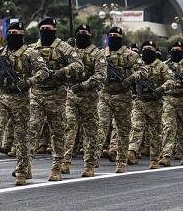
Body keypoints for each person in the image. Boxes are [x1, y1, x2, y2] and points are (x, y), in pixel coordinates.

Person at [0, 22, 49, 186]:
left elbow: (44, 71)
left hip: (21, 100)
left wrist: (29, 81)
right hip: (1, 97)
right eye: (11, 33)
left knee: (22, 138)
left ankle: (22, 171)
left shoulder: (31, 53)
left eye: (16, 33)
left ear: (22, 35)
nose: (13, 36)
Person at [27, 17, 84, 182]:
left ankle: (57, 168)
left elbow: (78, 65)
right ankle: (25, 166)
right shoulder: (32, 49)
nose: (46, 30)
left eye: (49, 28)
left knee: (58, 133)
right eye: (43, 28)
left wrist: (63, 71)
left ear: (55, 30)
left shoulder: (64, 48)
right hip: (36, 93)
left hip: (57, 94)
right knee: (31, 129)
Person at [97, 26, 147, 173]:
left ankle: (121, 161)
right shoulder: (101, 54)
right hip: (105, 95)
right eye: (111, 35)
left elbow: (143, 71)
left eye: (116, 36)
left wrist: (130, 79)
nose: (113, 38)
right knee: (100, 127)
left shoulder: (130, 55)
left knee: (123, 130)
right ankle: (93, 159)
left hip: (123, 97)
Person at [62, 25, 106, 177]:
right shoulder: (70, 51)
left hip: (89, 98)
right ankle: (65, 162)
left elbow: (101, 75)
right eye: (79, 34)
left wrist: (83, 85)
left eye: (85, 34)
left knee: (90, 132)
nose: (82, 36)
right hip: (71, 96)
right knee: (69, 127)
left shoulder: (97, 53)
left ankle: (89, 165)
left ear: (90, 36)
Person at [126, 40, 172, 169]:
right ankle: (132, 151)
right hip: (139, 101)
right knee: (136, 127)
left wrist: (162, 88)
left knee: (155, 133)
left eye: (150, 48)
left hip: (155, 104)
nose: (147, 50)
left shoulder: (162, 66)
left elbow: (171, 80)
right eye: (145, 48)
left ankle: (154, 159)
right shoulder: (137, 65)